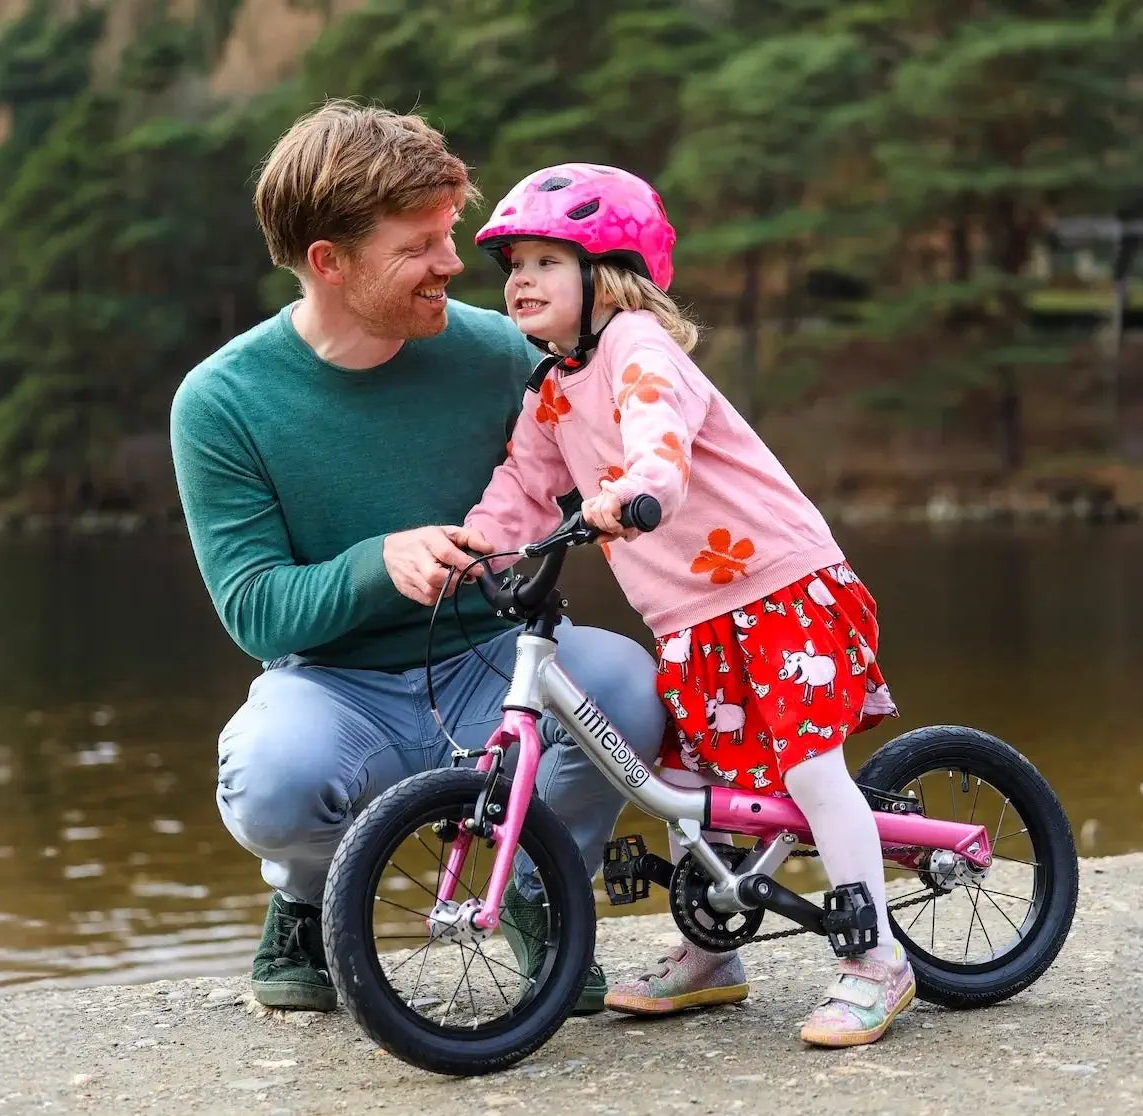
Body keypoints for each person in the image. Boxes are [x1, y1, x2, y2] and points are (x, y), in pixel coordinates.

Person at [169, 105, 666, 1014]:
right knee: (274, 781)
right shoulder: (222, 401)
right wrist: (379, 561)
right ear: (329, 260)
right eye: (420, 246)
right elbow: (255, 611)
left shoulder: (504, 355)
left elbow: (647, 412)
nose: (454, 263)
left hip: (498, 668)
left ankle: (536, 884)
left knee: (628, 688)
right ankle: (310, 898)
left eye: (450, 235)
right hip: (335, 686)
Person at [460, 163, 914, 1048]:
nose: (519, 279)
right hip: (689, 620)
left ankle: (877, 959)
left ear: (608, 276)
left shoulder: (638, 345)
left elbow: (656, 436)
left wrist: (642, 490)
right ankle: (713, 951)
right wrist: (478, 546)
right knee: (693, 790)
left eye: (546, 260)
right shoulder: (551, 387)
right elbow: (522, 483)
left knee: (810, 769)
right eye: (513, 262)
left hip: (780, 588)